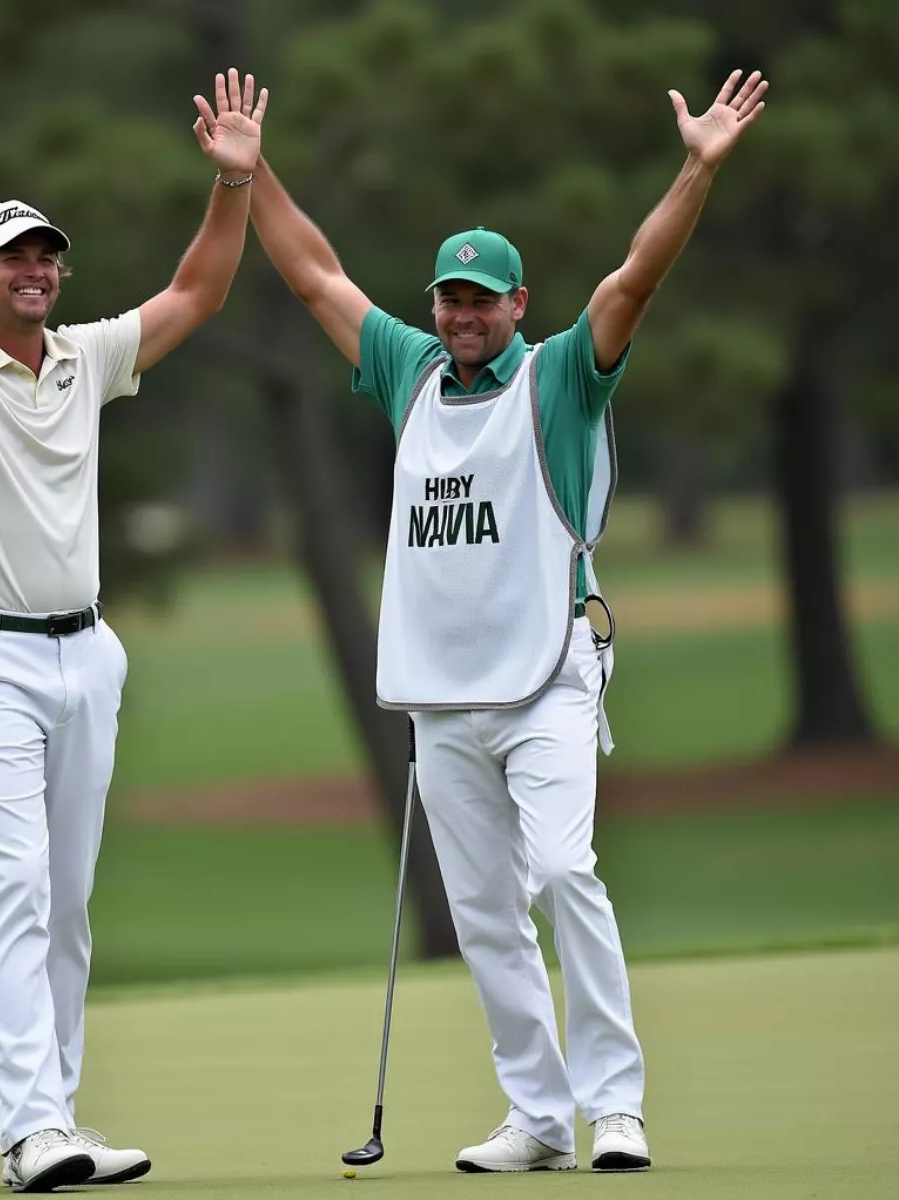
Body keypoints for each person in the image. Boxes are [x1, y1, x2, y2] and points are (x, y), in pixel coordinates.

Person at [249, 69, 768, 1173]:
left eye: (483, 299)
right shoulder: (409, 370)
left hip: (547, 678)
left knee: (567, 871)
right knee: (484, 914)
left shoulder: (565, 377)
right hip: (444, 697)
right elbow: (314, 276)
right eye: (450, 297)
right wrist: (252, 177)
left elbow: (635, 279)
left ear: (518, 306)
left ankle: (614, 1104)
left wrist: (696, 169)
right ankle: (538, 1114)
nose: (464, 314)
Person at [0, 64, 268, 1193]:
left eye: (50, 256)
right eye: (17, 256)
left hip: (87, 654)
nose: (40, 269)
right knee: (19, 892)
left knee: (69, 904)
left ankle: (58, 1124)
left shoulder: (84, 358)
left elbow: (195, 296)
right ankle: (29, 1129)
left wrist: (233, 185)